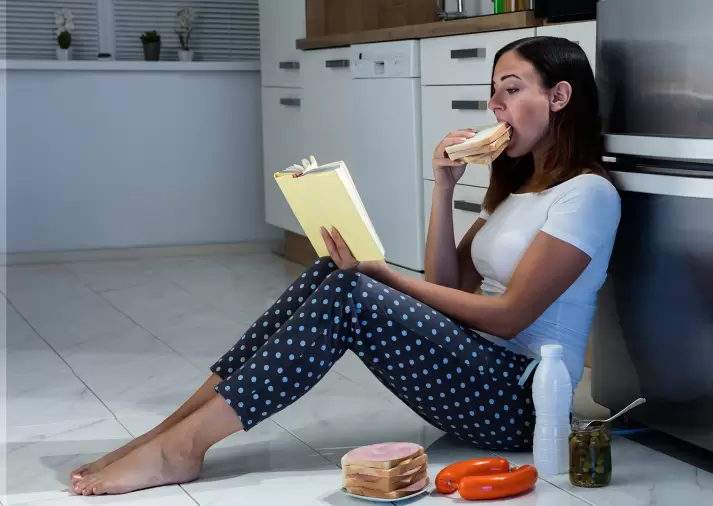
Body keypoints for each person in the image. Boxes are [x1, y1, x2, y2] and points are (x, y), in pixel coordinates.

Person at [69, 35, 621, 496]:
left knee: (354, 288)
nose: (495, 106)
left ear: (560, 96)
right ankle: (170, 432)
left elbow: (507, 317)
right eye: (492, 92)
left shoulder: (587, 195)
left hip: (521, 403)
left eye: (512, 89)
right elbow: (445, 287)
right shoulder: (518, 190)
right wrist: (443, 191)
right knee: (331, 274)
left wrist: (383, 273)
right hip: (478, 374)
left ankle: (182, 448)